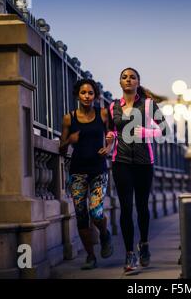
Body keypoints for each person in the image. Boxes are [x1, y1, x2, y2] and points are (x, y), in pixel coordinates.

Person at [108, 67, 168, 274]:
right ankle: (129, 253)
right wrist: (109, 139)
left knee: (142, 207)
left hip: (144, 163)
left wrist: (145, 132)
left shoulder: (149, 105)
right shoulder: (113, 106)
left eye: (132, 77)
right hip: (121, 162)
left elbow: (164, 130)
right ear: (120, 82)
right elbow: (112, 130)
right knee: (125, 208)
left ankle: (143, 244)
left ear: (137, 82)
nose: (128, 80)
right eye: (124, 77)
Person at [60, 78, 114, 270]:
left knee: (96, 211)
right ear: (77, 95)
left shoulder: (103, 114)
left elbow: (111, 136)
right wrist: (69, 140)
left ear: (95, 96)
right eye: (83, 92)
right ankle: (91, 256)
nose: (87, 96)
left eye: (90, 93)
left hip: (98, 169)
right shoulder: (69, 118)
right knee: (82, 215)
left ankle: (105, 234)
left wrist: (109, 147)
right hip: (78, 171)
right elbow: (61, 148)